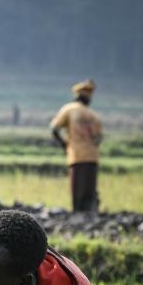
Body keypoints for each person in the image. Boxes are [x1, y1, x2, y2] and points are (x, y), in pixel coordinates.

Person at [50, 79, 103, 213]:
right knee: (89, 190)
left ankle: (77, 215)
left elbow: (54, 129)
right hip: (93, 157)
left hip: (77, 155)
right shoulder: (93, 115)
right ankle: (89, 216)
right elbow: (98, 138)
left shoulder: (69, 109)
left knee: (77, 191)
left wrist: (65, 145)